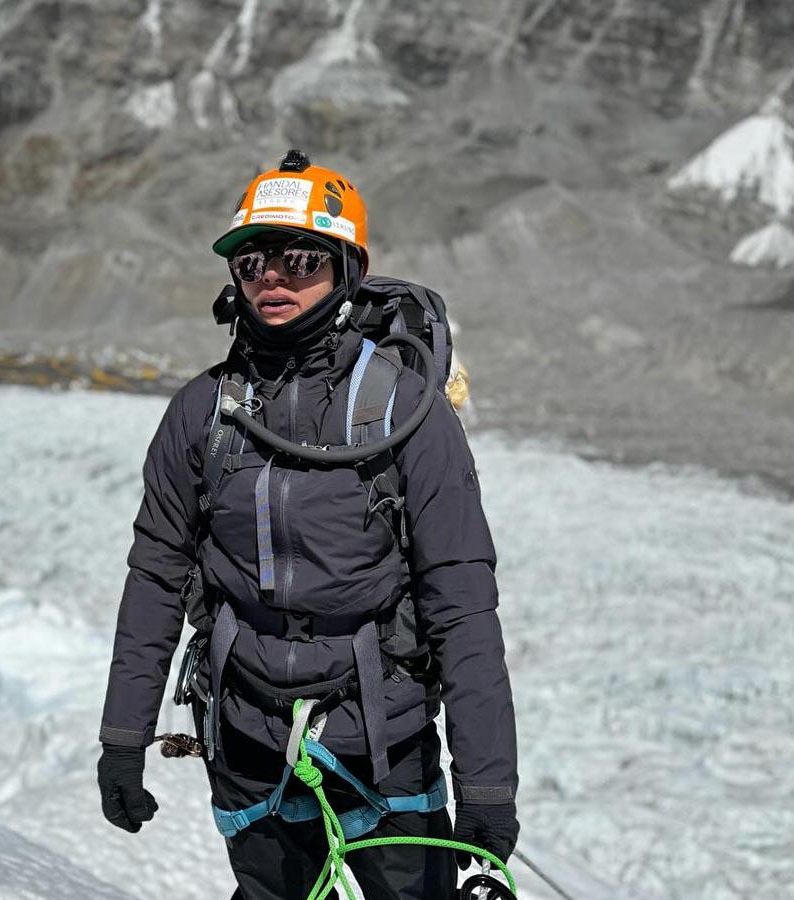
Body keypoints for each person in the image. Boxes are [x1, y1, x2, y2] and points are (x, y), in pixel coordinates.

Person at [97, 150, 519, 899]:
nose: (272, 278)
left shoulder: (406, 416)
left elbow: (462, 600)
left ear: (347, 270)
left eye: (300, 259)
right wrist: (123, 739)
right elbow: (156, 577)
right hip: (247, 743)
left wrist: (485, 786)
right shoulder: (203, 413)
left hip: (383, 748)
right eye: (253, 260)